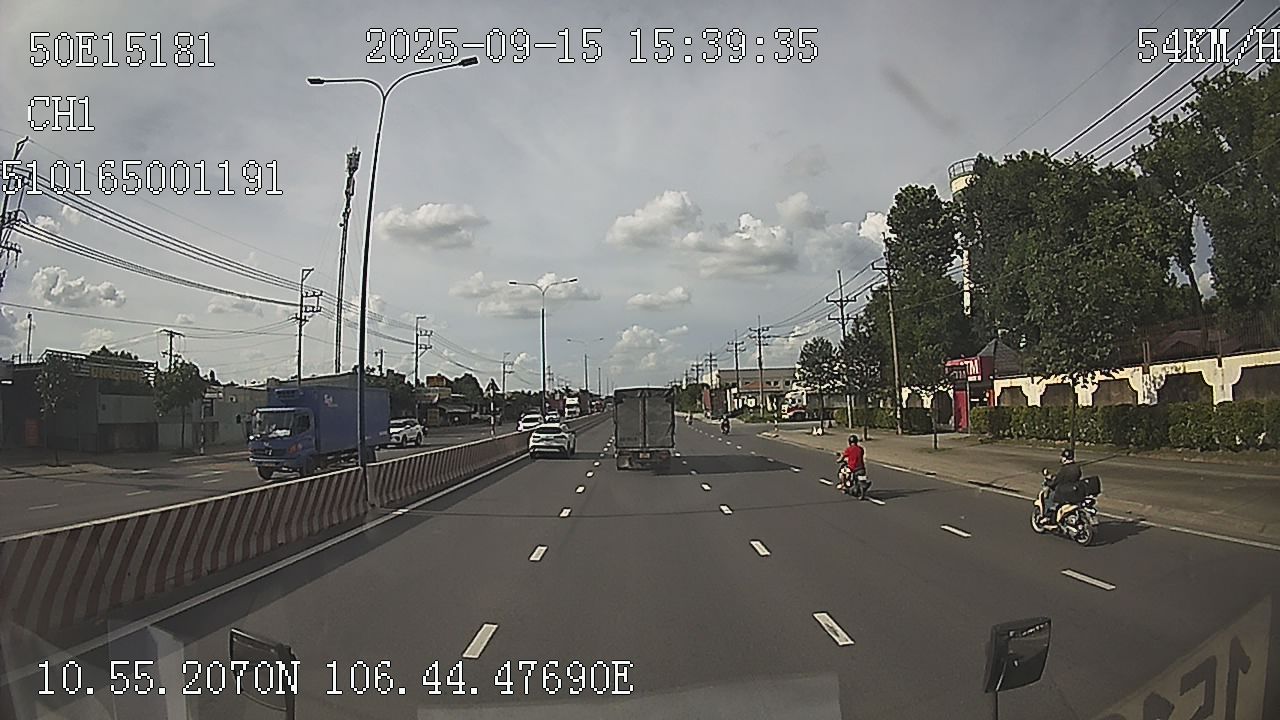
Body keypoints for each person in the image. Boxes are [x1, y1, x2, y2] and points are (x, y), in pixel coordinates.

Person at [1042, 448, 1082, 522]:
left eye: (1062, 457)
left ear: (1065, 458)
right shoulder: (1077, 468)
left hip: (1064, 492)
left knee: (1049, 497)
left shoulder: (1064, 469)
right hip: (1074, 491)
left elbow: (1055, 482)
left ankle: (1048, 516)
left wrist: (1048, 483)